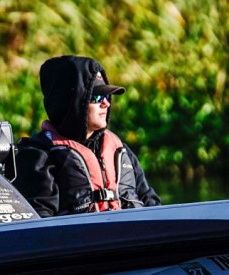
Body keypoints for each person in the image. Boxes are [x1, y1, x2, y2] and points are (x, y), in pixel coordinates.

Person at [14, 55, 160, 217]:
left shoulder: (121, 151)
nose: (106, 103)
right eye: (96, 97)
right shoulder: (38, 156)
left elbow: (151, 203)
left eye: (107, 96)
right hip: (82, 234)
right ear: (71, 102)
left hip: (131, 232)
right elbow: (39, 220)